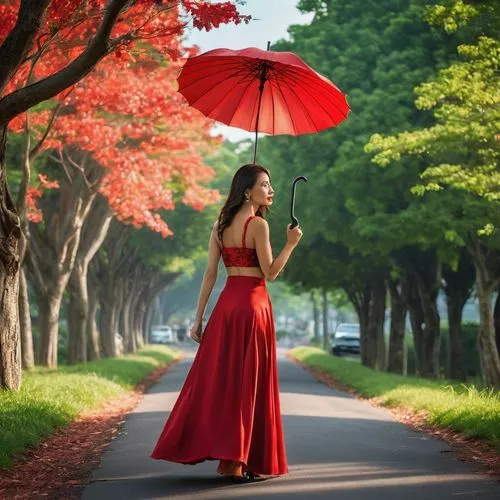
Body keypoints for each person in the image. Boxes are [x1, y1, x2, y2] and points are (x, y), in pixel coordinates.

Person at [150, 164, 303, 482]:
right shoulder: (258, 225)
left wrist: (198, 318)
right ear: (248, 191)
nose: (270, 190)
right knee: (249, 384)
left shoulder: (220, 224)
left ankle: (233, 459)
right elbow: (270, 273)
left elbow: (210, 274)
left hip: (225, 308)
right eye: (264, 184)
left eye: (271, 184)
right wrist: (291, 243)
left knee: (226, 383)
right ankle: (240, 459)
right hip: (253, 307)